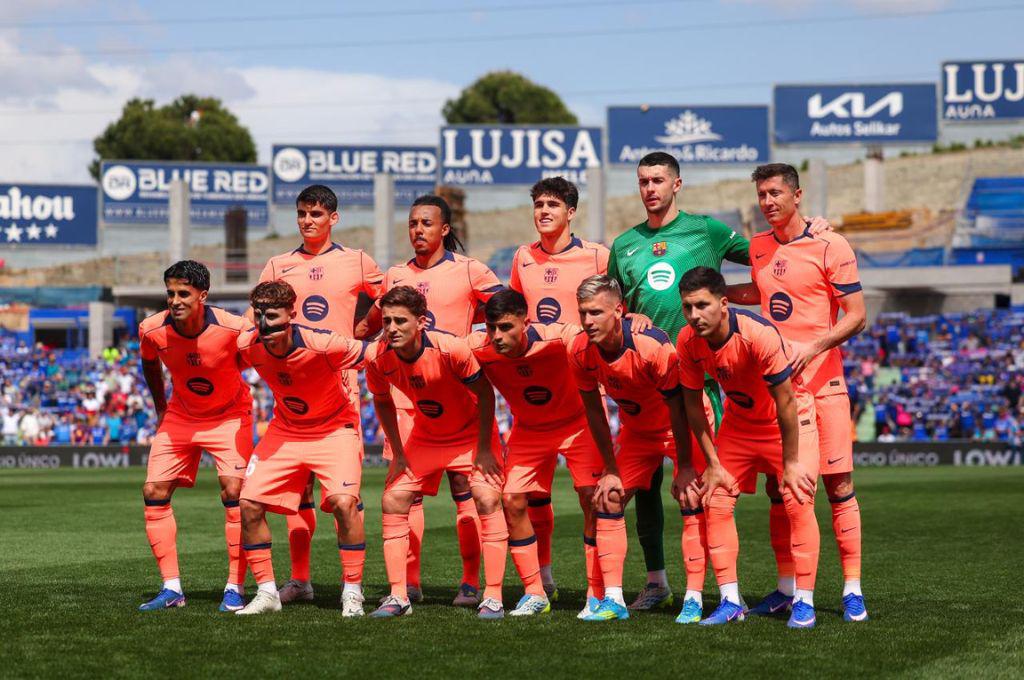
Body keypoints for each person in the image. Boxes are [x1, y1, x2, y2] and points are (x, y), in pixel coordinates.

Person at [729, 163, 869, 622]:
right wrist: (717, 294)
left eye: (775, 193)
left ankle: (852, 589)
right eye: (762, 195)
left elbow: (857, 315)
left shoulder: (831, 244)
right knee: (780, 488)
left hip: (824, 386)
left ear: (797, 194)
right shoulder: (758, 246)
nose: (768, 202)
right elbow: (761, 290)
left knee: (838, 486)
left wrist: (814, 347)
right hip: (779, 390)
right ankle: (787, 588)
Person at [361, 194, 504, 607]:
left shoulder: (470, 269)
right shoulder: (395, 274)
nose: (418, 230)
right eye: (412, 223)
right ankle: (408, 584)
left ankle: (471, 582)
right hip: (408, 398)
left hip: (456, 392)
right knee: (408, 492)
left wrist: (478, 337)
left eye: (426, 223)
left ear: (444, 229)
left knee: (465, 487)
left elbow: (504, 310)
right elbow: (372, 322)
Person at [255, 184, 384, 605]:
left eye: (316, 213)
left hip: (338, 385)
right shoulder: (278, 264)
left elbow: (388, 299)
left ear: (333, 218)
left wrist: (365, 328)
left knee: (342, 496)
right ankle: (299, 580)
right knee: (298, 492)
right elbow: (258, 318)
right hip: (294, 387)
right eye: (302, 213)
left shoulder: (357, 261)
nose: (307, 221)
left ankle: (351, 587)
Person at [675, 267, 821, 628]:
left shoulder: (757, 334)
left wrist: (790, 463)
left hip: (786, 420)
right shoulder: (688, 340)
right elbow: (692, 405)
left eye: (702, 305)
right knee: (715, 499)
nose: (694, 315)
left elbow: (786, 401)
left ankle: (803, 600)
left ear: (724, 304)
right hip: (740, 424)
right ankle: (730, 601)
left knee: (797, 496)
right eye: (688, 307)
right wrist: (712, 462)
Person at [566, 275, 710, 622]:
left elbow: (679, 408)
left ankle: (694, 598)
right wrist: (611, 469)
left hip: (680, 427)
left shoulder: (652, 346)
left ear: (618, 311)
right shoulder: (579, 350)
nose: (588, 321)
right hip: (637, 432)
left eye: (596, 312)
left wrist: (685, 466)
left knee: (692, 496)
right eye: (583, 313)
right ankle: (613, 600)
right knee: (607, 497)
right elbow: (595, 412)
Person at [468, 289, 609, 617]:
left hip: (577, 425)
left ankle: (596, 591)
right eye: (491, 328)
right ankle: (535, 592)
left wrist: (634, 320)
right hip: (529, 429)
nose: (497, 336)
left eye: (506, 327)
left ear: (526, 323)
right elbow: (440, 348)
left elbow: (597, 334)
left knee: (591, 498)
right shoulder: (478, 347)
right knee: (513, 501)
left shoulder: (558, 338)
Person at [234, 280, 370, 616]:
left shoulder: (323, 344)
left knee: (344, 504)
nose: (265, 324)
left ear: (292, 314)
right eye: (259, 315)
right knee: (248, 503)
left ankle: (353, 591)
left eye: (273, 316)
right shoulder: (248, 344)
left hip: (334, 429)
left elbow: (374, 354)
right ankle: (267, 593)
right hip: (286, 430)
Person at [137, 260, 253, 613]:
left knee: (234, 492)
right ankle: (171, 588)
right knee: (154, 491)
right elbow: (149, 363)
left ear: (203, 295)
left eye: (184, 293)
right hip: (181, 415)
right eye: (170, 293)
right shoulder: (151, 329)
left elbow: (259, 359)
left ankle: (235, 588)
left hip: (230, 415)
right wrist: (161, 407)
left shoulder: (234, 328)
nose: (175, 300)